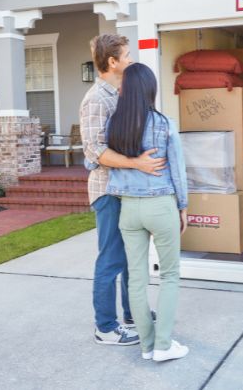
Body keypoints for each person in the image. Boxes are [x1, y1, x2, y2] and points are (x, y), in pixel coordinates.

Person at [79, 34, 165, 346]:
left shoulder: (120, 93)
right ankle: (105, 327)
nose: (130, 60)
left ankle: (132, 313)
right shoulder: (96, 100)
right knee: (112, 259)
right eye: (126, 55)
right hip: (107, 191)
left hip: (127, 189)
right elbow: (95, 151)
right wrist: (137, 164)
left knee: (133, 257)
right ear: (112, 62)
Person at [104, 63, 189, 362]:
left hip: (128, 209)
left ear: (125, 90)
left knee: (136, 279)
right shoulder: (164, 123)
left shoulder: (114, 125)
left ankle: (147, 346)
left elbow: (97, 161)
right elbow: (177, 170)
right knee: (169, 275)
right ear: (150, 89)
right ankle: (164, 346)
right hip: (160, 204)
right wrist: (183, 206)